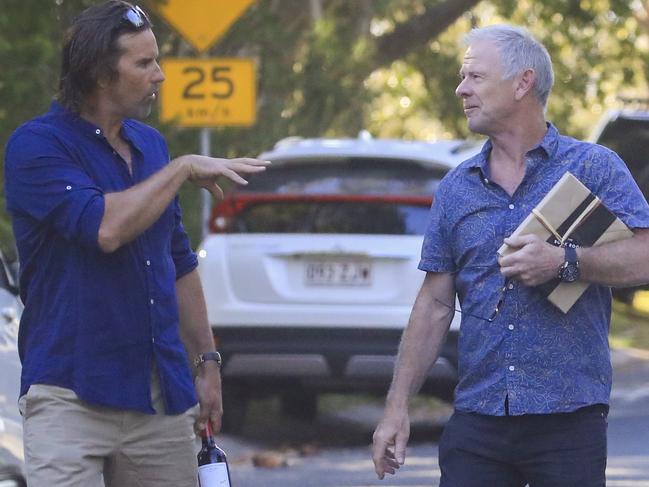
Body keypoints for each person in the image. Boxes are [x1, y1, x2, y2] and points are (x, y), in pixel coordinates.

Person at [371, 24, 649, 487]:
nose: (461, 89)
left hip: (568, 419)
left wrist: (564, 261)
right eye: (464, 78)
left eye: (475, 77)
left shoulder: (594, 167)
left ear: (523, 83)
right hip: (476, 419)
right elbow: (435, 305)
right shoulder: (456, 187)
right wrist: (396, 408)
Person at [3, 2, 269, 486]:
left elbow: (178, 262)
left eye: (158, 60)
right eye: (144, 63)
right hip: (68, 393)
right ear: (101, 74)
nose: (161, 76)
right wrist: (183, 168)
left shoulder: (151, 146)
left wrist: (207, 363)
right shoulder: (36, 146)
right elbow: (104, 229)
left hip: (158, 397)